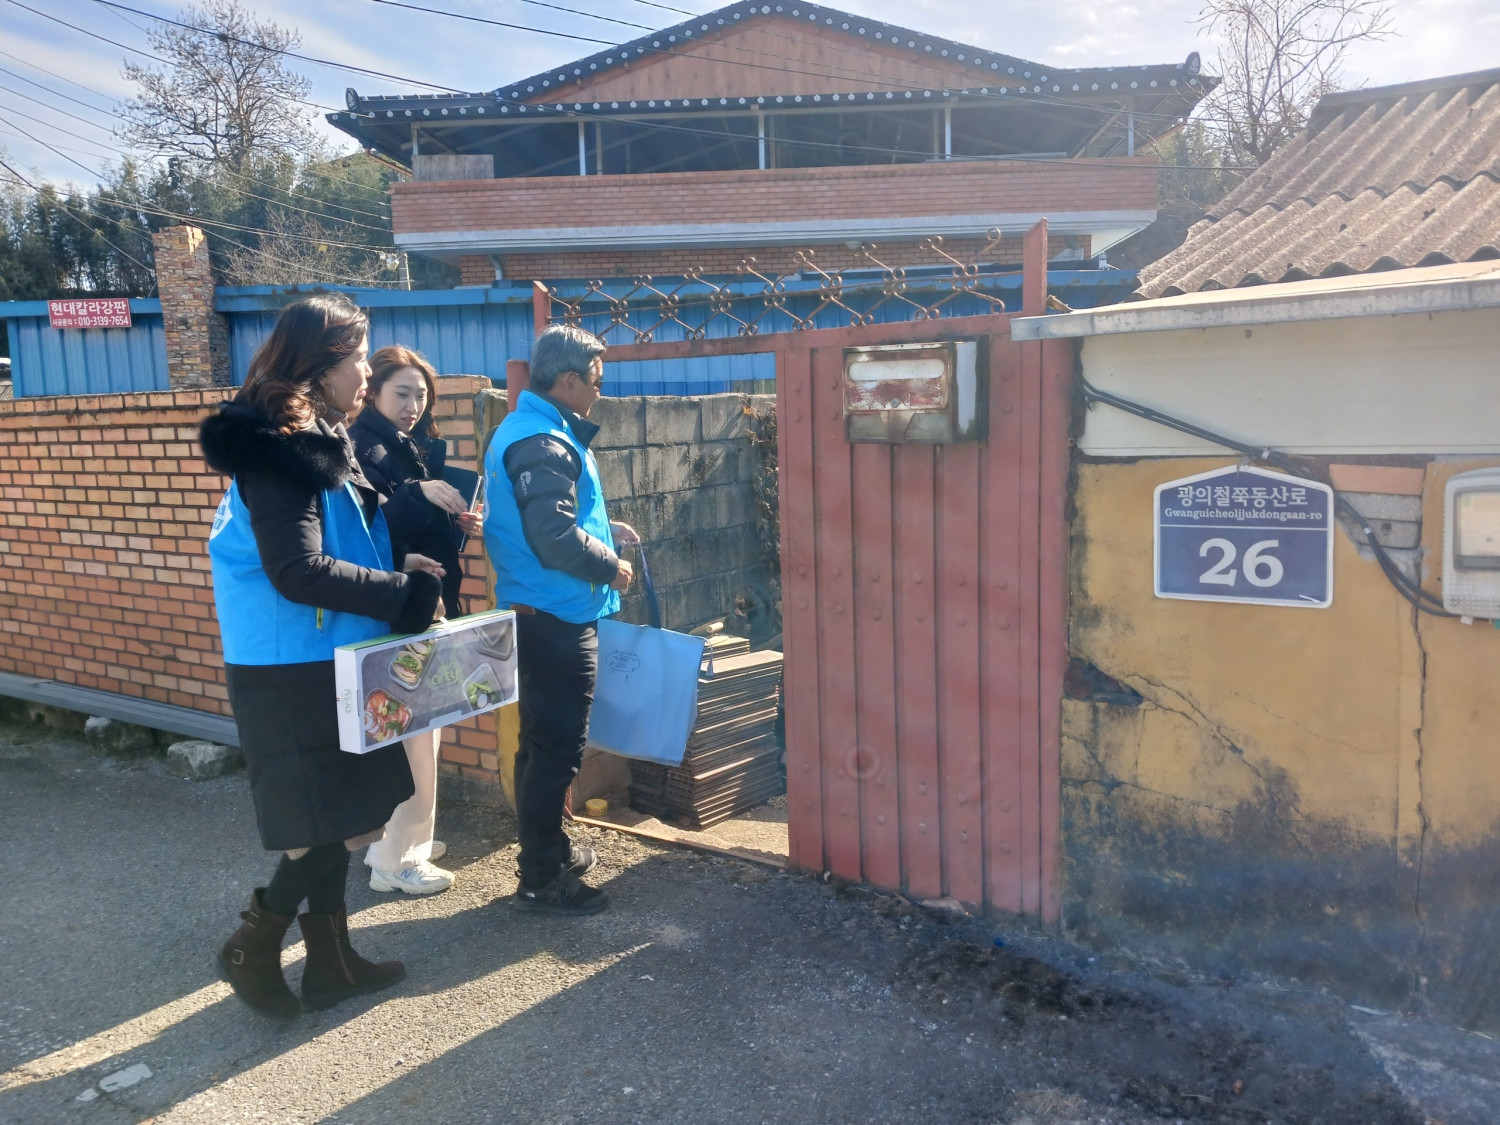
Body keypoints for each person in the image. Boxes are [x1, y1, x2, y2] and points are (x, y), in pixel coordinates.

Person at [199, 294, 445, 1018]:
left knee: (344, 815)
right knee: (328, 823)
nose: (367, 372)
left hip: (324, 654)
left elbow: (328, 548)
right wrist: (404, 594)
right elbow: (296, 570)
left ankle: (331, 964)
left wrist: (398, 565)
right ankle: (252, 943)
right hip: (289, 668)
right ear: (320, 364)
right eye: (359, 358)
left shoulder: (310, 438)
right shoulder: (282, 453)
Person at [484, 324, 638, 915]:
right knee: (556, 752)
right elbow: (553, 537)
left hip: (541, 610)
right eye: (595, 381)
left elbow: (555, 518)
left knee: (541, 745)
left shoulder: (533, 430)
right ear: (569, 381)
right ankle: (541, 877)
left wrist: (605, 530)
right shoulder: (543, 441)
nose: (600, 391)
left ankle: (545, 852)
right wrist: (611, 566)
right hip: (556, 616)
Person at [349, 345, 481, 895]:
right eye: (401, 392)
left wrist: (456, 523)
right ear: (373, 391)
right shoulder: (362, 447)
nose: (413, 404)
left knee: (418, 728)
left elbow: (413, 531)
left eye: (421, 395)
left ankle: (397, 842)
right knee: (414, 735)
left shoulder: (408, 446)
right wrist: (415, 491)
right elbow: (367, 531)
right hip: (400, 608)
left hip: (421, 601)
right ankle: (399, 860)